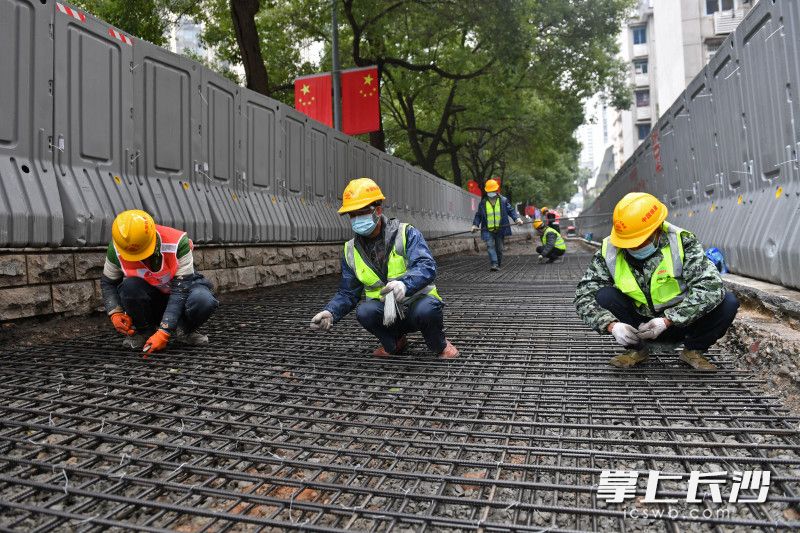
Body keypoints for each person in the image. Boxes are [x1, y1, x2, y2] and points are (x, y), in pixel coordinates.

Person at [574, 192, 739, 371]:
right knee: (604, 296)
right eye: (627, 242)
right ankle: (637, 350)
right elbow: (583, 296)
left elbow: (711, 287)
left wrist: (668, 320)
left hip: (681, 323)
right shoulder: (610, 251)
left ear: (657, 230)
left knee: (728, 302)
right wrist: (611, 325)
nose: (632, 247)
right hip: (638, 326)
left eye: (638, 241)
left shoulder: (682, 243)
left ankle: (693, 350)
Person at [310, 178, 459, 359]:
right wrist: (331, 312)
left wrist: (404, 284)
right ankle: (395, 343)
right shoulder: (350, 250)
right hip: (386, 314)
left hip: (416, 306)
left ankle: (440, 345)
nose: (356, 219)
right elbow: (348, 292)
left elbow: (426, 266)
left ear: (378, 211)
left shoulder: (406, 233)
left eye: (361, 213)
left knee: (427, 309)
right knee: (364, 312)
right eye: (352, 215)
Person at [100, 210, 219, 356]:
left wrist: (164, 332)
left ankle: (184, 330)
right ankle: (145, 333)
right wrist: (115, 312)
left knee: (203, 300)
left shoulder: (177, 243)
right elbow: (108, 283)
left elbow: (180, 291)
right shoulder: (117, 248)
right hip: (154, 299)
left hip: (182, 294)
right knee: (129, 287)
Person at [470, 178, 524, 271]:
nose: (491, 192)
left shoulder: (503, 200)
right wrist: (475, 225)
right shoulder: (483, 202)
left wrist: (517, 219)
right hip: (487, 229)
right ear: (487, 191)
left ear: (496, 190)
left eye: (493, 190)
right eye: (489, 191)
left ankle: (498, 264)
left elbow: (511, 211)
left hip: (501, 229)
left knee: (499, 248)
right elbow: (478, 215)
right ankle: (494, 264)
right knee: (490, 246)